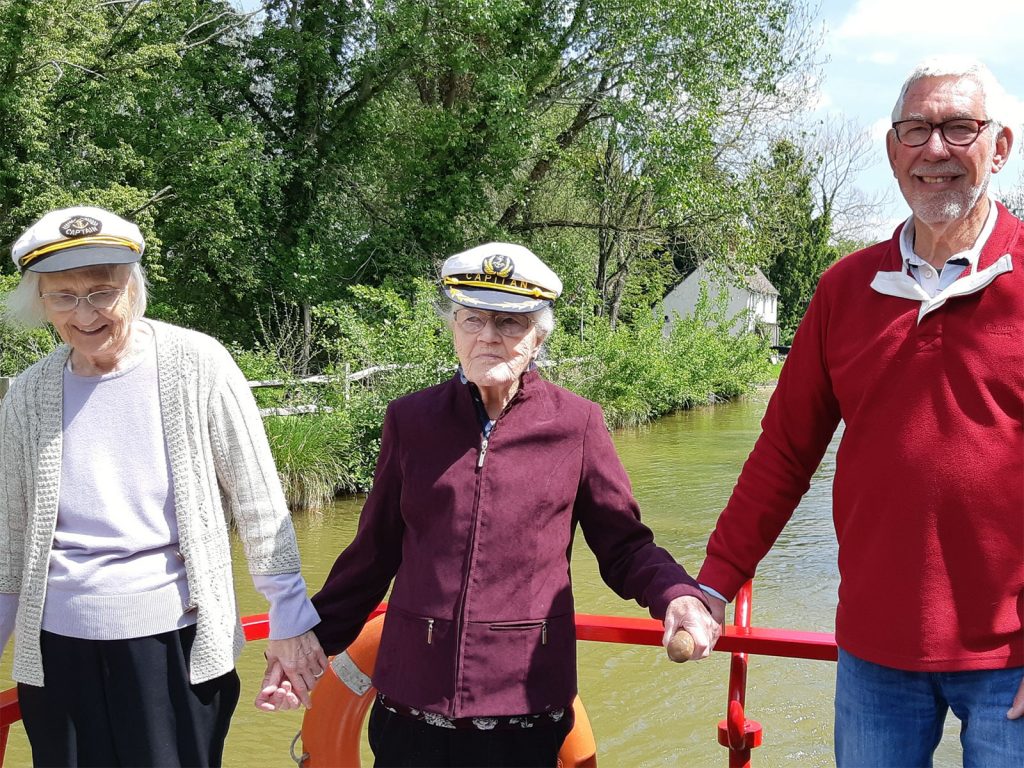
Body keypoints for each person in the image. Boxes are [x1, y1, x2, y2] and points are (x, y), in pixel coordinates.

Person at [697, 56, 1023, 766]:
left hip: (1014, 661)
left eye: (959, 128)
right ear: (892, 150)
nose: (934, 149)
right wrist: (713, 585)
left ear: (999, 147)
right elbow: (784, 454)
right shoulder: (844, 290)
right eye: (915, 130)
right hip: (876, 654)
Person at [311, 242, 720, 767]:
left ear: (539, 334)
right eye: (473, 319)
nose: (488, 337)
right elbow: (373, 553)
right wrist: (311, 636)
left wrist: (676, 595)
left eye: (509, 322)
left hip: (526, 707)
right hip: (411, 704)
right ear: (452, 326)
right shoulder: (410, 422)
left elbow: (624, 545)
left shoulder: (577, 425)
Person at [0, 205, 328, 766]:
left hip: (174, 643)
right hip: (57, 652)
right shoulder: (28, 393)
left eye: (102, 291)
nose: (85, 314)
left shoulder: (199, 364)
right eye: (63, 296)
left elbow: (258, 501)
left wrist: (289, 619)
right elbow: (10, 537)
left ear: (133, 286)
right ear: (40, 301)